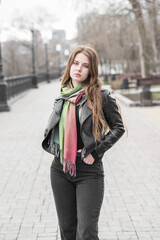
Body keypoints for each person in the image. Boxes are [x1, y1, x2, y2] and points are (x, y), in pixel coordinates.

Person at [42, 45, 125, 240]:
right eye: (75, 63)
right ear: (70, 65)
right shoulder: (63, 95)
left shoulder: (101, 97)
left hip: (89, 172)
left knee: (86, 232)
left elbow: (118, 127)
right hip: (60, 169)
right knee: (68, 231)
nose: (78, 68)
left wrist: (96, 152)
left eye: (85, 65)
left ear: (92, 70)